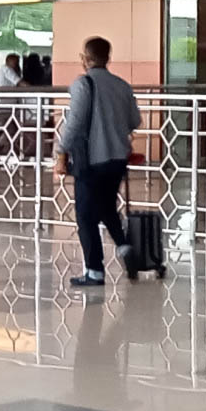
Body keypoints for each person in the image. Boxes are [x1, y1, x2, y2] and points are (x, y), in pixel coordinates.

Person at [53, 37, 142, 288]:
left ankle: (94, 271)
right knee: (106, 207)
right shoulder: (122, 85)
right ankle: (125, 248)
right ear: (108, 58)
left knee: (86, 216)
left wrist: (61, 152)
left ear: (85, 59)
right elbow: (135, 120)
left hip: (92, 160)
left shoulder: (83, 84)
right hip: (117, 159)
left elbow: (74, 123)